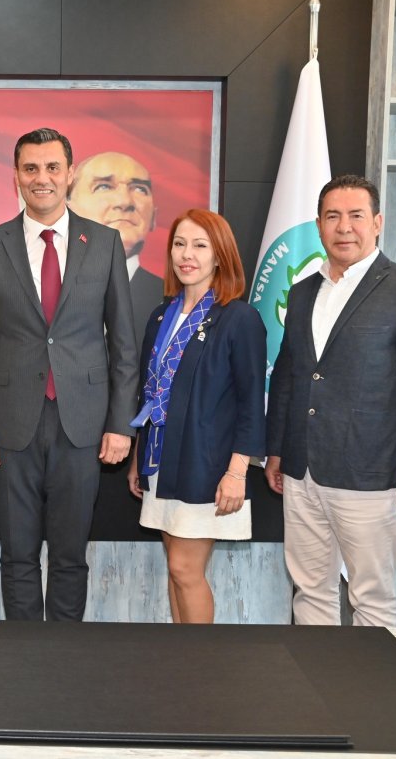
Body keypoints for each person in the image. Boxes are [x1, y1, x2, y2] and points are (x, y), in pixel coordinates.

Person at [0, 127, 139, 621]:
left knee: (70, 557)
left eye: (53, 167)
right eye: (31, 168)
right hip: (9, 425)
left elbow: (124, 345)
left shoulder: (104, 243)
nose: (43, 178)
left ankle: (63, 655)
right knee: (17, 556)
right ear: (16, 176)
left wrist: (120, 425)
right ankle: (23, 655)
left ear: (70, 174)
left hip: (83, 425)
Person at [265, 174, 396, 627]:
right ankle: (314, 674)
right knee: (310, 590)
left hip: (371, 474)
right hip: (302, 470)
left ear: (377, 223)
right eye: (332, 216)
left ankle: (370, 679)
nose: (344, 227)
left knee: (371, 597)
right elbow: (289, 375)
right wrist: (277, 449)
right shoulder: (303, 291)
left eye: (355, 216)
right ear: (318, 225)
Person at [127, 209, 265, 624]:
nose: (187, 255)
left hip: (207, 464)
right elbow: (150, 392)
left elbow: (251, 402)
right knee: (175, 570)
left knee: (185, 569)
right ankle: (181, 656)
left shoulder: (238, 318)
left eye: (200, 246)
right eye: (180, 244)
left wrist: (237, 472)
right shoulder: (161, 315)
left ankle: (201, 659)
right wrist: (137, 457)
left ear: (220, 256)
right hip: (160, 459)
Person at [68, 151, 165, 344]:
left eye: (140, 189)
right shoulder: (44, 285)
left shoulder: (172, 300)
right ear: (68, 210)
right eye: (103, 186)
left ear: (154, 216)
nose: (125, 202)